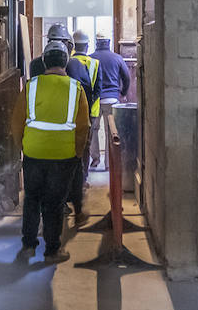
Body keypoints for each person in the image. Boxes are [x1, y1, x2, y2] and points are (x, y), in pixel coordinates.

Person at [11, 40, 90, 263]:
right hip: (63, 156)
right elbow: (83, 127)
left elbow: (17, 122)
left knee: (32, 199)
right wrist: (77, 153)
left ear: (45, 62)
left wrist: (23, 147)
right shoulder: (76, 89)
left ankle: (28, 246)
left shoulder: (31, 86)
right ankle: (52, 251)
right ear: (66, 62)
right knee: (54, 203)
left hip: (34, 153)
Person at [29, 23, 97, 221]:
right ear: (68, 44)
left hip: (40, 131)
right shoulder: (74, 65)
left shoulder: (35, 65)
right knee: (74, 169)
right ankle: (77, 210)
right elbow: (87, 93)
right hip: (68, 129)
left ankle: (49, 208)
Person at [70, 29, 102, 209]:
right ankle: (83, 178)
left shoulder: (68, 62)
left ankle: (73, 180)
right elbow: (98, 89)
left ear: (74, 46)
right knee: (85, 145)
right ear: (87, 45)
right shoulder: (95, 63)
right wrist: (89, 106)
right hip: (90, 111)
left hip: (70, 112)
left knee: (71, 145)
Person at [90, 32, 131, 167]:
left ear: (97, 43)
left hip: (95, 101)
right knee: (111, 132)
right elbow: (126, 77)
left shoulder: (91, 58)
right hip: (112, 99)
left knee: (93, 130)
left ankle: (95, 159)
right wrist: (123, 93)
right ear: (108, 42)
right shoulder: (117, 58)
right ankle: (109, 163)